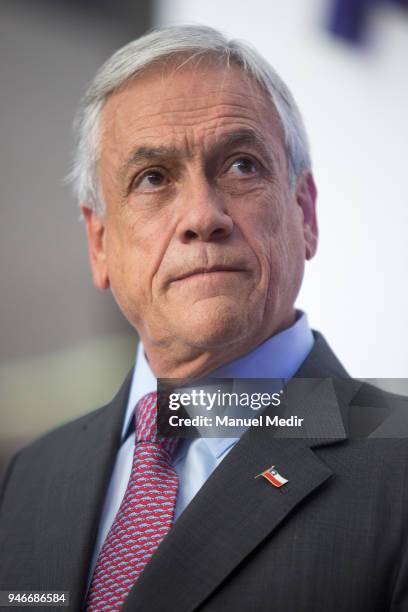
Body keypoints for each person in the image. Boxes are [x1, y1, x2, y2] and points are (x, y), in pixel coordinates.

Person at [0, 25, 407, 612]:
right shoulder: (32, 477)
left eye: (242, 166)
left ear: (305, 213)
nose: (201, 215)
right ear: (99, 242)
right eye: (153, 178)